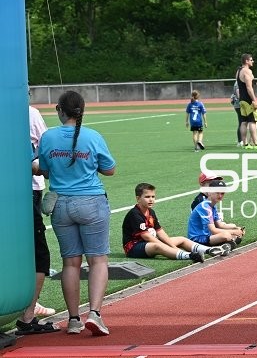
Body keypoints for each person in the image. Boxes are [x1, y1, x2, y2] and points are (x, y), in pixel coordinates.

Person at [37, 91, 116, 336]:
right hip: (91, 200)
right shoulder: (92, 136)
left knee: (70, 263)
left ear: (60, 110)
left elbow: (45, 170)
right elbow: (110, 169)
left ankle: (73, 319)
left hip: (61, 203)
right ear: (82, 110)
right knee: (97, 260)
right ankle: (95, 313)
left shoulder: (48, 136)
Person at [15, 103, 60, 336]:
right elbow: (44, 150)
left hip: (14, 191)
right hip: (27, 191)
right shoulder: (29, 112)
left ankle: (27, 304)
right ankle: (27, 314)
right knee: (39, 254)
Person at [123, 183, 227, 262]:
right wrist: (170, 247)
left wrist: (170, 244)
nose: (151, 200)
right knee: (158, 246)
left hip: (148, 243)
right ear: (138, 199)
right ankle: (190, 256)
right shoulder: (135, 214)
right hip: (134, 247)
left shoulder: (151, 212)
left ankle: (210, 250)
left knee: (181, 239)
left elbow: (160, 231)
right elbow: (147, 237)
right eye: (147, 197)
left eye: (153, 197)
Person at [187, 179, 245, 249]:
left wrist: (236, 228)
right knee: (226, 235)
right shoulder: (205, 207)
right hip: (197, 239)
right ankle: (224, 244)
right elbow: (213, 230)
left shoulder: (212, 205)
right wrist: (233, 232)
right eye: (217, 193)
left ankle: (225, 244)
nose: (220, 196)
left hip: (206, 236)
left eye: (222, 193)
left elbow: (219, 225)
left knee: (233, 230)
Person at [236, 54, 257, 150]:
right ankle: (256, 143)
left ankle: (245, 144)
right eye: (251, 60)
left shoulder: (238, 71)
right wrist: (254, 100)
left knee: (243, 122)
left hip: (241, 100)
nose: (252, 61)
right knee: (252, 121)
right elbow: (249, 88)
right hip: (248, 100)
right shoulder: (247, 71)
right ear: (246, 61)